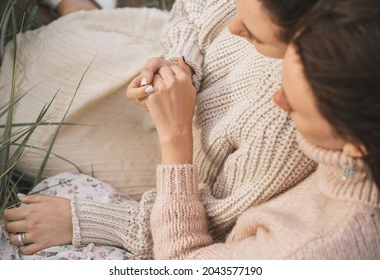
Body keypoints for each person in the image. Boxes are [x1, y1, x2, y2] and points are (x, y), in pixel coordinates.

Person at [0, 0, 318, 259]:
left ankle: (82, 11)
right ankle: (79, 9)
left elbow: (215, 230)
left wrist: (88, 220)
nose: (233, 27)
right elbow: (194, 9)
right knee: (35, 58)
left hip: (182, 171)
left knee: (15, 131)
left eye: (251, 31)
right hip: (178, 90)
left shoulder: (289, 115)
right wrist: (179, 64)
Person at [146, 0, 380, 259]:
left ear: (356, 144)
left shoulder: (313, 246)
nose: (278, 100)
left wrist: (175, 136)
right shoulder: (353, 156)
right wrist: (183, 65)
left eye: (296, 106)